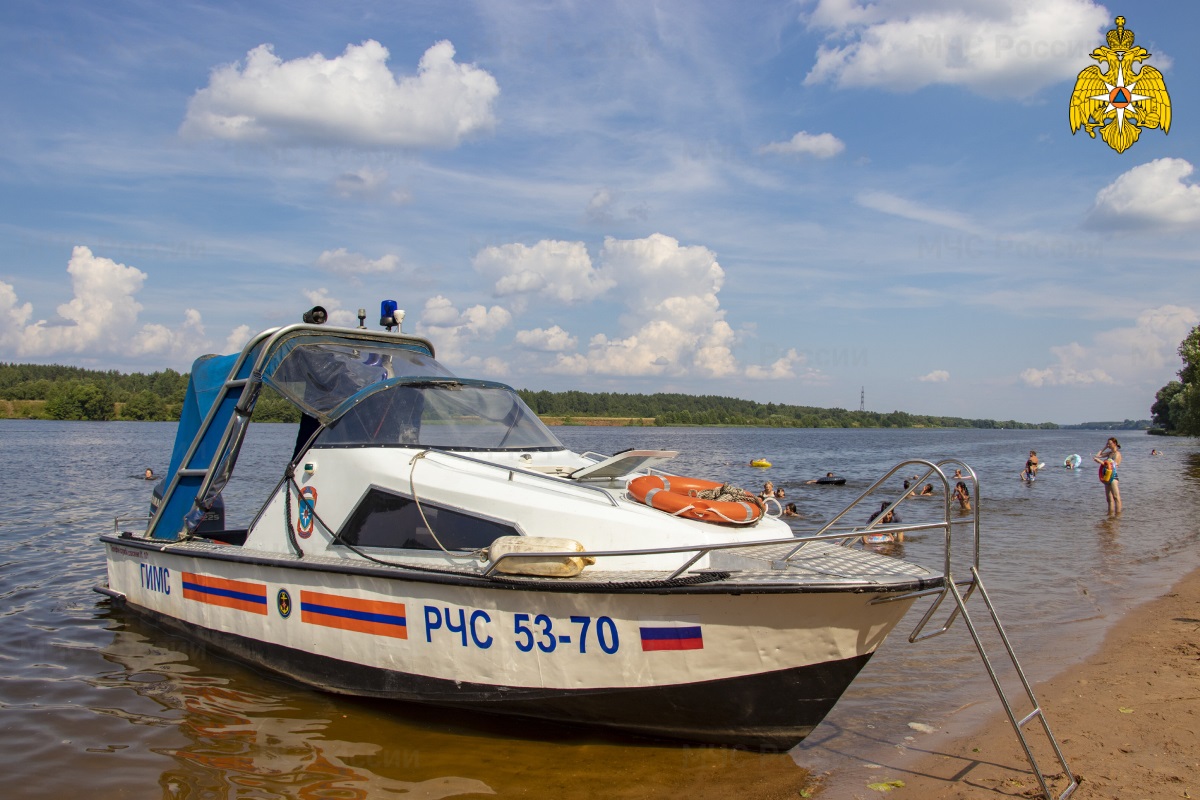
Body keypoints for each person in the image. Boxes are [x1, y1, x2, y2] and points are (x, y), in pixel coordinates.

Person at [1094, 437, 1122, 514]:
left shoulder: (1117, 454)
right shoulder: (1109, 453)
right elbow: (1097, 456)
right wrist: (1105, 447)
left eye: (1110, 444)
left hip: (1113, 477)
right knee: (1109, 499)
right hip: (1107, 476)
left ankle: (1118, 515)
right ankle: (1110, 515)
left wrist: (1100, 462)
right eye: (1108, 444)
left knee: (1116, 497)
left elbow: (1113, 466)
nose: (1109, 445)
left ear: (1115, 444)